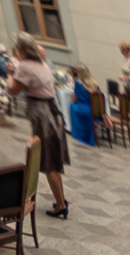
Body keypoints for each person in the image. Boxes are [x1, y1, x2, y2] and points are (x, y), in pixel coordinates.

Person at [10, 36, 71, 218]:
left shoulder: (26, 67)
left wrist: (10, 72)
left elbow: (12, 90)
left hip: (42, 114)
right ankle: (61, 199)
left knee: (48, 160)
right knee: (53, 157)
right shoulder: (41, 63)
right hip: (51, 110)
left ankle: (60, 204)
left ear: (21, 49)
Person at [67, 66, 99, 145]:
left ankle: (77, 133)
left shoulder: (78, 84)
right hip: (94, 110)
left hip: (83, 108)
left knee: (72, 107)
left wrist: (71, 102)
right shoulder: (95, 84)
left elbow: (75, 98)